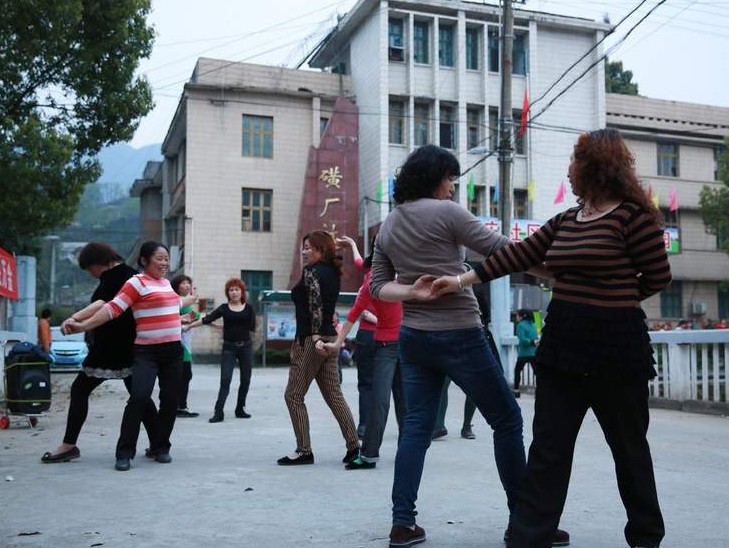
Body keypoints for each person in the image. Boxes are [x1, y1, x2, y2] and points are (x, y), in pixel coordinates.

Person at [433, 129, 671, 548]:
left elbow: (657, 277)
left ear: (595, 167)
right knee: (548, 448)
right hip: (562, 344)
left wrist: (610, 297)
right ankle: (529, 536)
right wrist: (458, 280)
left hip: (617, 349)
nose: (569, 170)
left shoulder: (634, 218)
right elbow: (516, 255)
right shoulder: (566, 221)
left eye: (575, 161)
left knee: (629, 448)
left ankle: (646, 537)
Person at [368, 144, 568, 548]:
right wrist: (551, 273)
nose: (452, 189)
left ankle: (402, 523)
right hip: (460, 332)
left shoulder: (389, 224)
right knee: (507, 420)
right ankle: (524, 522)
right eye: (450, 180)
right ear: (435, 177)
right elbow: (502, 251)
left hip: (415, 339)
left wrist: (413, 292)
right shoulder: (448, 213)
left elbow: (377, 287)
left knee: (415, 428)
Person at [63, 241, 194, 472]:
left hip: (173, 351)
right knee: (139, 398)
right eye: (159, 258)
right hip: (146, 352)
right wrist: (83, 326)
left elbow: (172, 305)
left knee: (171, 401)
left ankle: (161, 447)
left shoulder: (165, 284)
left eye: (166, 259)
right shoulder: (135, 282)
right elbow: (112, 307)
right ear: (144, 260)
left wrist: (185, 306)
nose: (164, 263)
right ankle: (124, 452)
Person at [41, 242, 157, 464]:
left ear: (98, 263)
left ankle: (68, 445)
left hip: (112, 347)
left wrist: (75, 318)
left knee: (80, 390)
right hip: (128, 345)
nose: (91, 274)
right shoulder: (131, 274)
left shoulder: (116, 275)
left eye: (89, 268)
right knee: (140, 397)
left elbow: (103, 303)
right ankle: (157, 444)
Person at [277, 230, 360, 466]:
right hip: (330, 338)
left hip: (312, 341)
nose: (304, 251)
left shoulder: (312, 271)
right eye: (303, 247)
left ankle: (304, 450)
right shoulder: (333, 272)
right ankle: (354, 445)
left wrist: (314, 338)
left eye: (308, 247)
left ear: (320, 250)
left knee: (293, 395)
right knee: (334, 395)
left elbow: (315, 306)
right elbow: (326, 306)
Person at [322, 257, 405, 470]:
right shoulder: (370, 286)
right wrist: (338, 343)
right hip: (384, 347)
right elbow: (353, 315)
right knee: (380, 399)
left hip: (407, 345)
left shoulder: (404, 280)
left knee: (405, 401)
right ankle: (368, 455)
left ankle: (406, 451)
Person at [185, 278, 256, 423]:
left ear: (242, 292)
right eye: (231, 290)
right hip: (229, 348)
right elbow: (207, 319)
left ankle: (240, 408)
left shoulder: (249, 308)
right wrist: (189, 326)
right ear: (227, 293)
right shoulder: (224, 308)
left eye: (237, 289)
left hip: (246, 347)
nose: (234, 292)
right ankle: (219, 411)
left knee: (246, 379)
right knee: (225, 379)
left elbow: (251, 328)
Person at [337, 235, 377, 438]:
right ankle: (364, 424)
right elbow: (359, 261)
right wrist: (352, 244)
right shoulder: (369, 268)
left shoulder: (401, 271)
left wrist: (376, 319)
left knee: (395, 385)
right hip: (367, 336)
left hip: (391, 335)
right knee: (366, 383)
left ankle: (404, 428)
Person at [171, 274, 201, 418]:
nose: (187, 285)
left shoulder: (185, 302)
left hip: (184, 344)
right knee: (183, 375)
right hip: (179, 344)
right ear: (176, 286)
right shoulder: (178, 302)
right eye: (183, 283)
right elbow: (193, 316)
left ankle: (180, 405)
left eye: (188, 283)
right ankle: (179, 406)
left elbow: (194, 316)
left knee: (185, 375)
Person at [512, 309, 538, 398]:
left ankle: (516, 390)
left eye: (517, 315)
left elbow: (523, 340)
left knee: (517, 371)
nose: (516, 317)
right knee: (537, 373)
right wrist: (533, 342)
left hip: (524, 353)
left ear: (522, 316)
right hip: (534, 353)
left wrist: (530, 342)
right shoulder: (533, 325)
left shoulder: (520, 325)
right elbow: (535, 338)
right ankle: (538, 391)